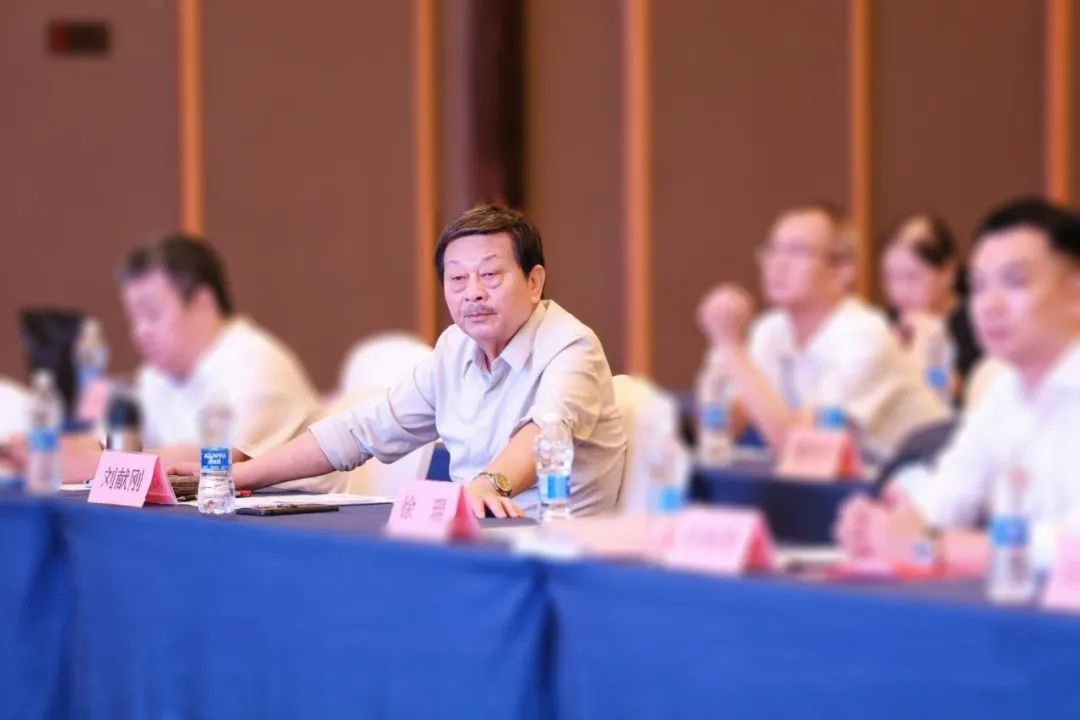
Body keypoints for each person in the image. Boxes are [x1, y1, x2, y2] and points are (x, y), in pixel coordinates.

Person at [208, 204, 627, 518]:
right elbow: (360, 431)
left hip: (553, 549)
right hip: (473, 537)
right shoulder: (455, 348)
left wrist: (488, 485)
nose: (473, 292)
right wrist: (235, 475)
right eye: (457, 279)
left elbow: (546, 433)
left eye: (490, 275)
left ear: (534, 282)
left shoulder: (572, 346)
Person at [836, 198, 1080, 572]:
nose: (989, 305)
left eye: (1015, 282)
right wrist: (882, 525)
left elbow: (1072, 545)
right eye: (979, 287)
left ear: (1075, 295)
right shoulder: (1003, 390)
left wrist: (937, 548)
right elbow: (947, 498)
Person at [6, 235, 332, 491]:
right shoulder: (154, 376)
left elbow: (215, 460)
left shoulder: (256, 362)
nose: (140, 331)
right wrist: (37, 447)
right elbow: (110, 444)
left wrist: (73, 464)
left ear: (203, 303)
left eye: (152, 314)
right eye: (133, 318)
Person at [697, 202, 947, 458]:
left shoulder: (864, 335)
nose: (777, 263)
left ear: (843, 271)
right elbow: (720, 430)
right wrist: (721, 358)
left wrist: (732, 348)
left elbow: (802, 447)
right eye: (772, 250)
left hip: (923, 473)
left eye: (797, 251)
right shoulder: (769, 330)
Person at [880, 212, 982, 401]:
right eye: (890, 277)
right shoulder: (885, 323)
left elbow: (960, 389)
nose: (899, 291)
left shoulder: (976, 323)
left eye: (911, 277)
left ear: (947, 272)